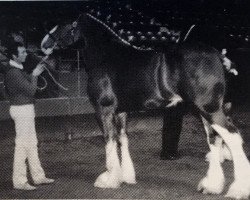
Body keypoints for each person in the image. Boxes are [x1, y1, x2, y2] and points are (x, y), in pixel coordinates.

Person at [4, 41, 54, 190]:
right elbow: (31, 90)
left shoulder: (17, 70)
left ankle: (38, 176)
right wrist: (35, 75)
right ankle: (19, 181)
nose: (25, 54)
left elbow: (29, 78)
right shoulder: (13, 73)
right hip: (22, 110)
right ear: (14, 56)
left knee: (31, 144)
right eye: (22, 52)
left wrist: (43, 60)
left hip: (24, 109)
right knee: (22, 146)